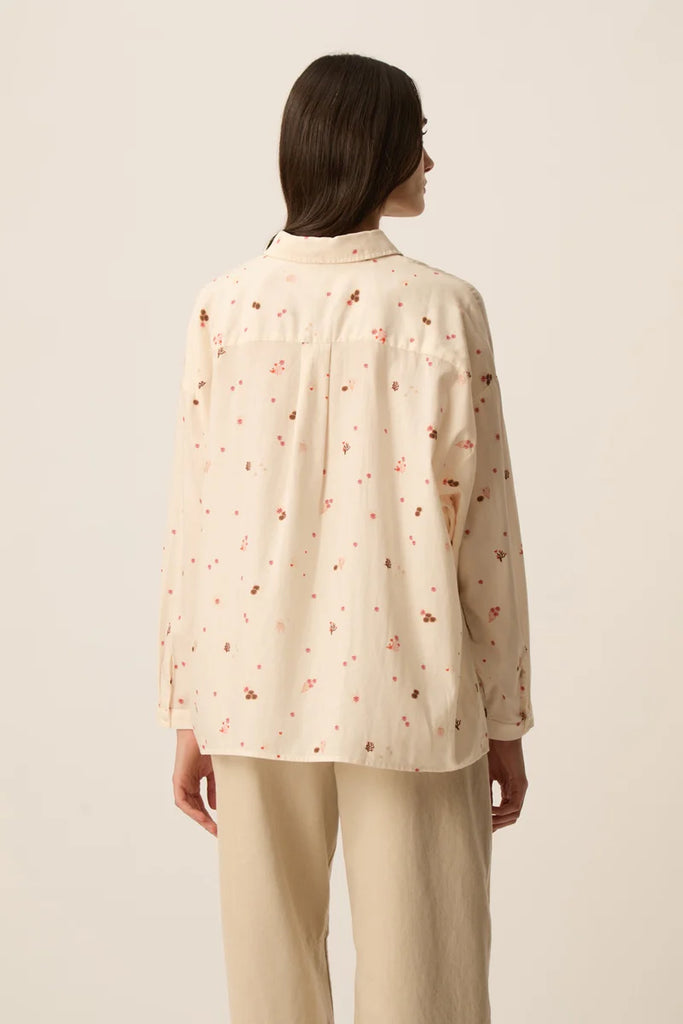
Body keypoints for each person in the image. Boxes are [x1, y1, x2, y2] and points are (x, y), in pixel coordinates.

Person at [157, 52, 533, 1024]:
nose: (429, 162)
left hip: (248, 680)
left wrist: (190, 702)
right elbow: (484, 528)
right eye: (417, 139)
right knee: (426, 984)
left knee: (268, 985)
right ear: (371, 148)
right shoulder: (443, 307)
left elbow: (195, 519)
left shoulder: (223, 305)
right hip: (407, 682)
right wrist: (503, 715)